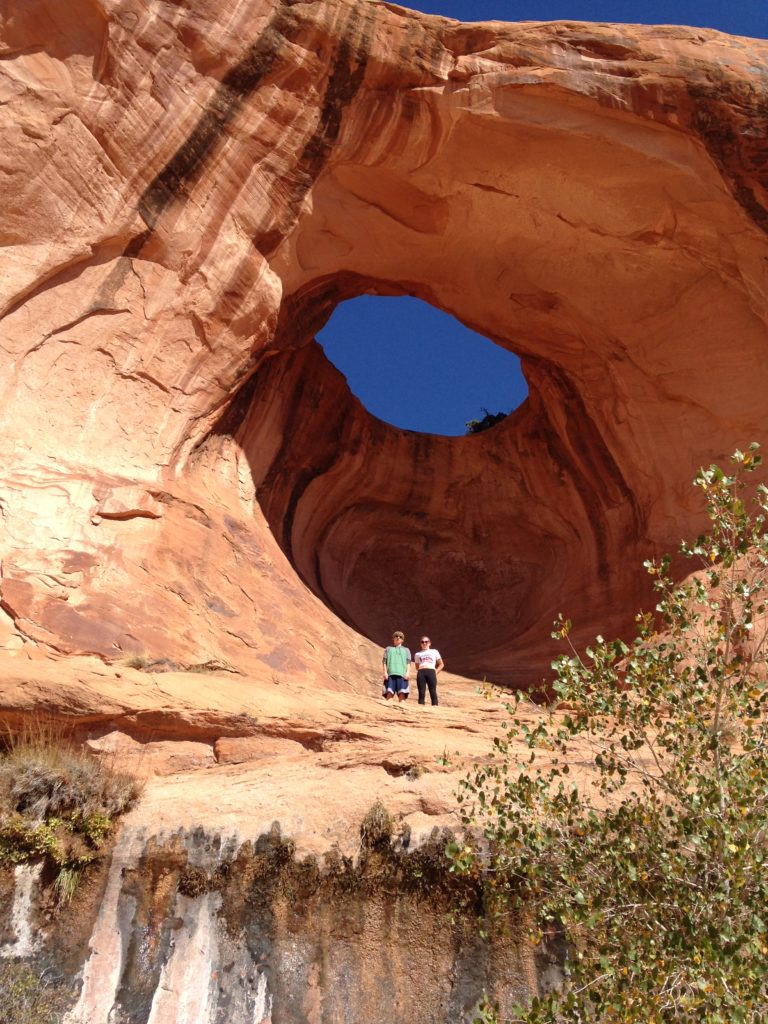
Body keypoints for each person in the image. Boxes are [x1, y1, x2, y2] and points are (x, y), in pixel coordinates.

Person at [382, 631, 412, 702]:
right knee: (389, 695)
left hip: (402, 675)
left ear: (403, 640)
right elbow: (384, 662)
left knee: (402, 695)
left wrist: (407, 673)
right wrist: (385, 672)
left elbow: (408, 662)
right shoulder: (388, 649)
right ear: (393, 638)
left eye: (400, 637)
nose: (398, 638)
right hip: (390, 674)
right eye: (396, 636)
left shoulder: (406, 650)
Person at [414, 636, 444, 706]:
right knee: (421, 691)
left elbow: (441, 664)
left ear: (429, 643)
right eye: (422, 642)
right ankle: (420, 707)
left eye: (426, 642)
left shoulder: (434, 651)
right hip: (421, 672)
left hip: (431, 671)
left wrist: (435, 672)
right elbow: (417, 666)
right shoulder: (417, 654)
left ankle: (435, 707)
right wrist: (421, 670)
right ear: (420, 644)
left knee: (433, 690)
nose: (424, 643)